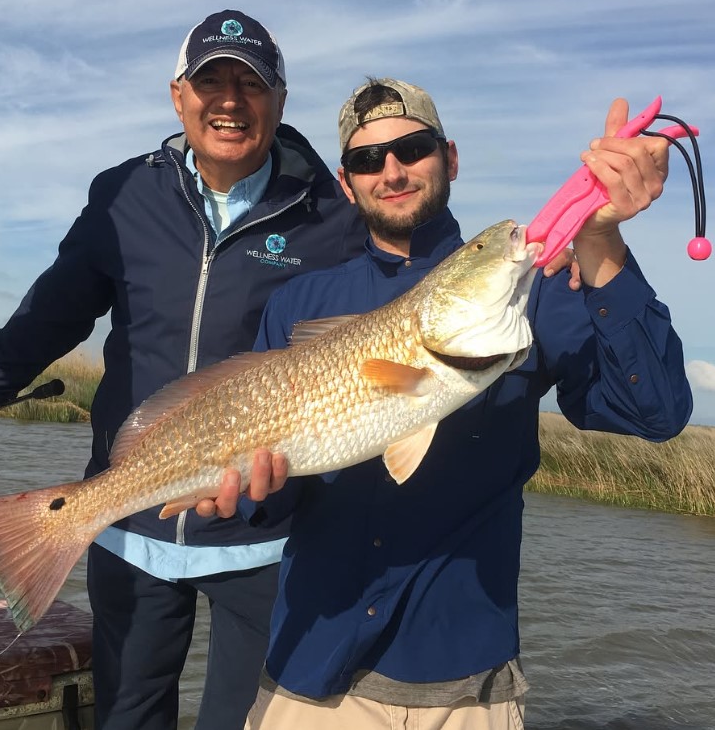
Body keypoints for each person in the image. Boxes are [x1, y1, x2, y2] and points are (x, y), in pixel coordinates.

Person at [210, 77, 691, 729]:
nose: (391, 169)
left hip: (466, 689)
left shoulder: (533, 294)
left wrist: (601, 243)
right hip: (310, 676)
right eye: (365, 158)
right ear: (346, 183)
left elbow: (655, 412)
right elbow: (268, 506)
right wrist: (250, 491)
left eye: (412, 147)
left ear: (450, 158)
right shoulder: (299, 306)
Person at [0, 10, 368, 730]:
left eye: (251, 83)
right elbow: (54, 313)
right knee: (128, 716)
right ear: (178, 96)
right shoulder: (124, 194)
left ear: (280, 100)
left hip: (263, 532)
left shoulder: (333, 214)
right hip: (127, 522)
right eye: (211, 82)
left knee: (248, 721)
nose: (230, 100)